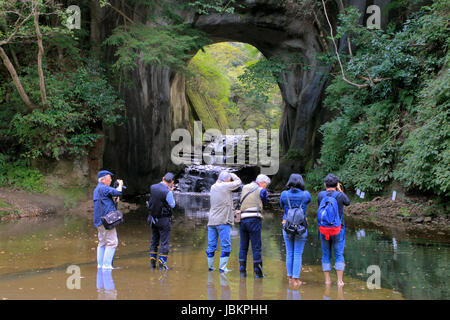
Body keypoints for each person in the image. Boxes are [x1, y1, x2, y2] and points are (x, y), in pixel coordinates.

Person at [317, 173, 350, 287]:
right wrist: (340, 190)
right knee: (339, 254)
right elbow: (348, 202)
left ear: (325, 184)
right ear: (337, 184)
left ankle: (327, 280)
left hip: (324, 229)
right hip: (338, 229)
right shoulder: (340, 195)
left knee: (326, 254)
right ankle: (340, 281)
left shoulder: (320, 195)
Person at [206, 171, 242, 273]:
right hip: (223, 221)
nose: (230, 181)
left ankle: (211, 267)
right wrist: (231, 174)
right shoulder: (225, 186)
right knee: (226, 246)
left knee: (211, 245)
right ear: (227, 180)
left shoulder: (213, 186)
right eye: (229, 179)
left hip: (212, 221)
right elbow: (238, 182)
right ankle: (222, 268)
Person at [280, 173, 311, 288]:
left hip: (287, 226)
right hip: (301, 227)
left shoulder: (284, 194)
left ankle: (290, 279)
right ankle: (296, 279)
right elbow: (308, 203)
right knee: (297, 253)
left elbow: (282, 206)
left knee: (289, 252)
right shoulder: (306, 194)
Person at [238, 174, 270, 278]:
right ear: (263, 182)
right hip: (254, 220)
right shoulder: (261, 190)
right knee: (256, 247)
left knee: (243, 247)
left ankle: (242, 272)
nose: (266, 187)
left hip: (242, 219)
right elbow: (265, 202)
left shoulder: (244, 187)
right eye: (266, 185)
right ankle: (258, 273)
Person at [93, 170, 124, 269]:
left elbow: (108, 200)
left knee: (102, 242)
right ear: (103, 179)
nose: (110, 180)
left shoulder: (97, 189)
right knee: (112, 242)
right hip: (106, 221)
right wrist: (120, 184)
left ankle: (100, 265)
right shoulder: (104, 188)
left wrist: (114, 199)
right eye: (109, 178)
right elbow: (118, 192)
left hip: (99, 221)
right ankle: (107, 266)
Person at [148, 172, 176, 270]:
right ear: (171, 182)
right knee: (164, 242)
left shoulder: (153, 187)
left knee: (154, 241)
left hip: (152, 218)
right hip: (163, 220)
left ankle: (152, 264)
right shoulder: (168, 192)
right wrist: (171, 191)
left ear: (163, 178)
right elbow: (172, 205)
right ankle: (162, 265)